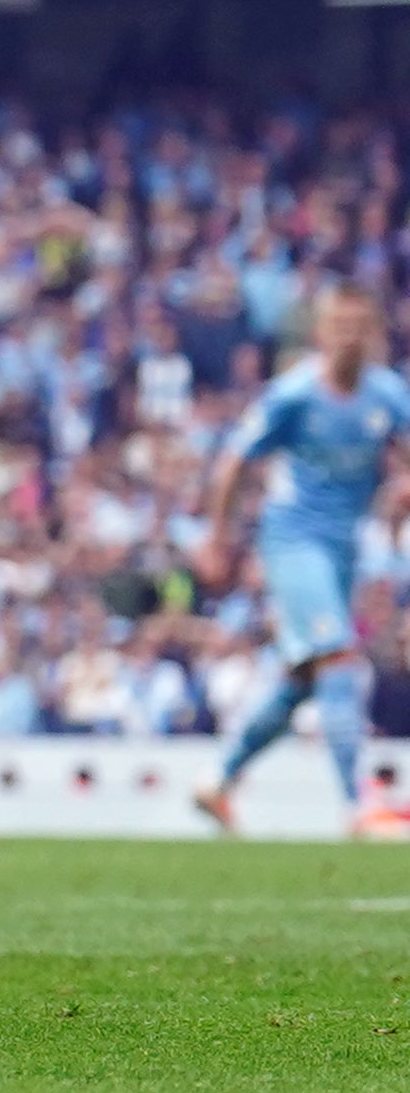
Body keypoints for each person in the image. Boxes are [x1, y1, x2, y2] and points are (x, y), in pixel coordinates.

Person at [191, 283, 410, 839]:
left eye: (360, 326)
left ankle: (219, 783)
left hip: (343, 548)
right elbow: (234, 463)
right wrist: (218, 538)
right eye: (339, 325)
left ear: (375, 334)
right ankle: (355, 805)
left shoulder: (388, 396)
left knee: (304, 680)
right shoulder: (292, 395)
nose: (349, 337)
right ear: (320, 332)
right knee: (338, 657)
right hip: (291, 541)